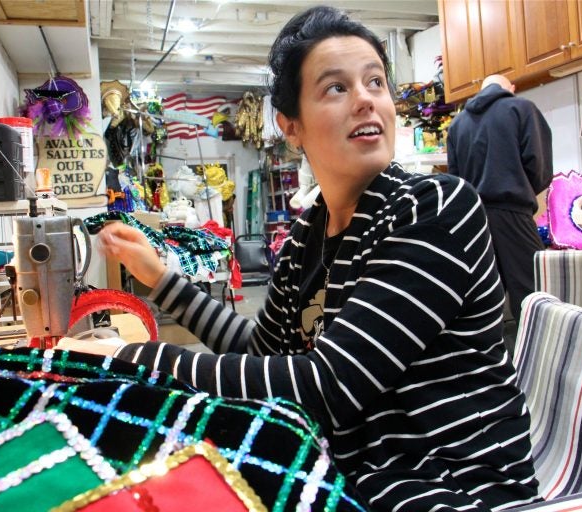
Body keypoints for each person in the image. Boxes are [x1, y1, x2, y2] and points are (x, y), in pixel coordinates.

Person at [78, 7, 541, 511]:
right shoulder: (309, 234)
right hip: (354, 471)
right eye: (336, 88)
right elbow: (262, 353)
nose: (365, 99)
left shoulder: (434, 206)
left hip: (449, 486)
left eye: (375, 82)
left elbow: (328, 384)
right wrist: (160, 277)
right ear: (290, 125)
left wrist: (127, 357)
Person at [446, 74, 553, 328]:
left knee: (482, 303)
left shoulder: (458, 124)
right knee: (534, 298)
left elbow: (454, 180)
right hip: (513, 212)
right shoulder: (521, 108)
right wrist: (522, 190)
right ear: (511, 89)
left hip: (473, 222)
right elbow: (538, 165)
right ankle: (536, 363)